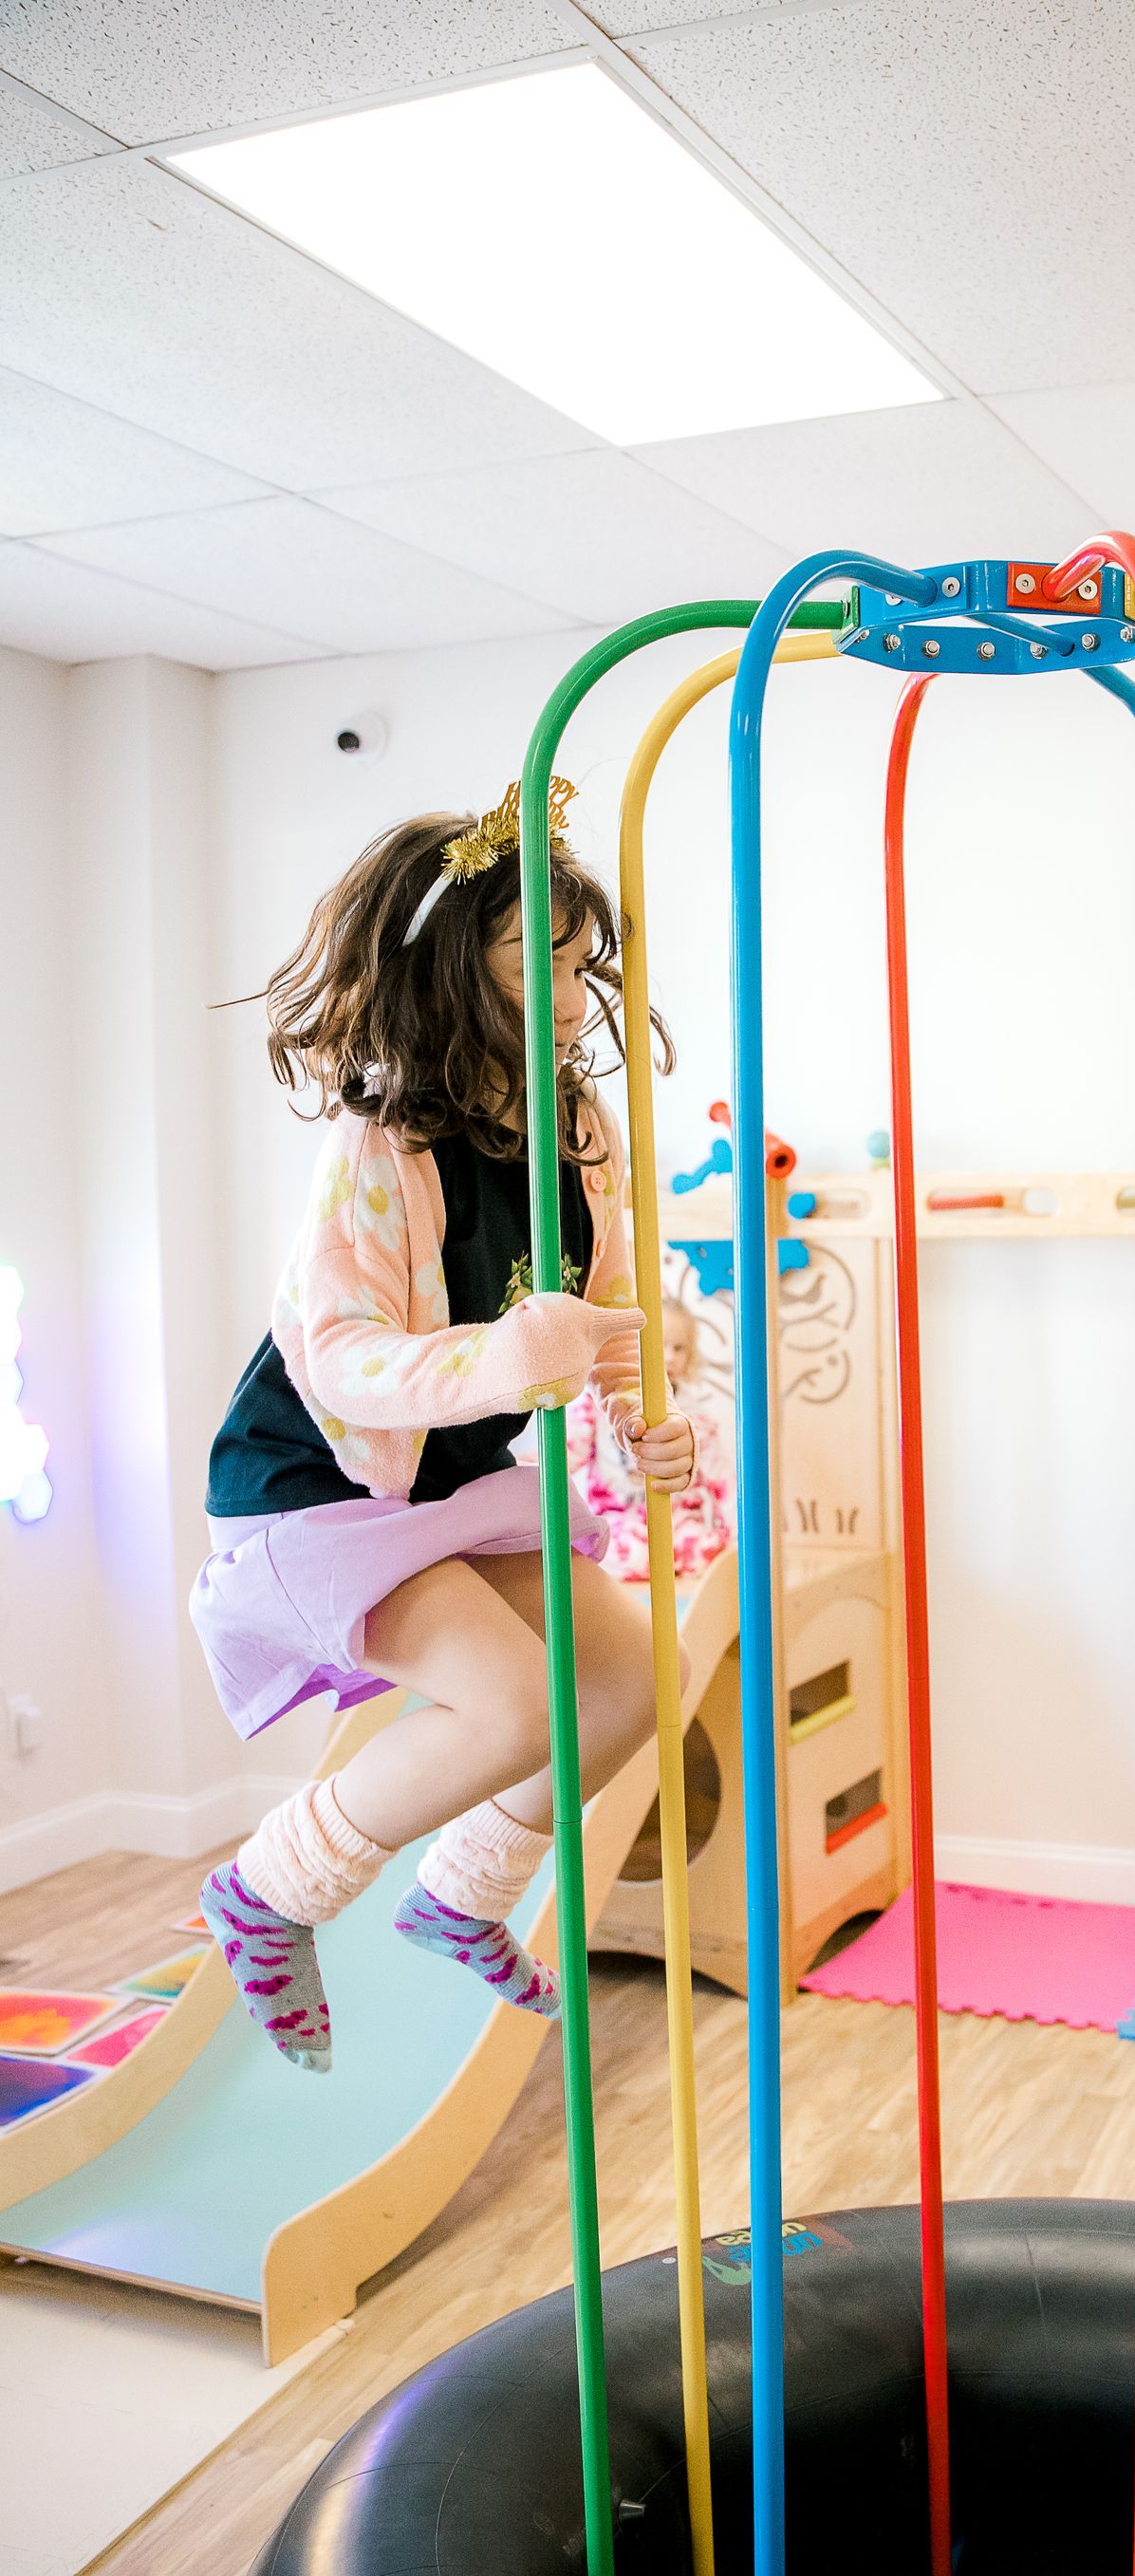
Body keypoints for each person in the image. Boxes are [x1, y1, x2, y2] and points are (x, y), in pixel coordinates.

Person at [191, 779, 695, 2072]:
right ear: (450, 970)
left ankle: (459, 1892)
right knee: (518, 1706)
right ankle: (270, 1889)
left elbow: (615, 1297)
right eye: (544, 961)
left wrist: (646, 1409)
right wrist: (502, 1355)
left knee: (637, 1676)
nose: (576, 997)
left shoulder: (574, 1126)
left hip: (447, 1483)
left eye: (586, 966)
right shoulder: (381, 1144)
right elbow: (344, 1360)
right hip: (325, 1488)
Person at [569, 1293, 733, 1582]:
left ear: (691, 1354)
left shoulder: (695, 1414)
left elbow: (721, 1478)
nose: (669, 1357)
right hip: (620, 1513)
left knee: (699, 1551)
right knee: (626, 1554)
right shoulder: (597, 1405)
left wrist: (734, 1535)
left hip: (676, 1516)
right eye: (660, 1345)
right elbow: (572, 1451)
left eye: (679, 1348)